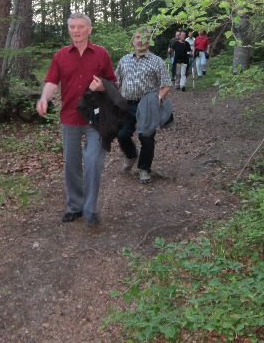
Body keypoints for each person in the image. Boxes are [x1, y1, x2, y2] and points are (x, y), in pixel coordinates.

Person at [36, 13, 116, 226]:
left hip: (96, 117)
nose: (76, 31)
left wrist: (102, 86)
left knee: (92, 161)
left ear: (89, 29)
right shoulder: (61, 55)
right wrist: (44, 98)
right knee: (71, 164)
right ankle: (75, 206)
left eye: (81, 27)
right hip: (70, 116)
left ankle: (90, 208)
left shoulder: (101, 54)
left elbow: (112, 82)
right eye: (72, 27)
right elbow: (52, 81)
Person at [116, 27, 172, 184]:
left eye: (145, 38)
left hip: (147, 105)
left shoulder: (157, 61)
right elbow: (116, 81)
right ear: (133, 40)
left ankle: (144, 168)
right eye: (138, 37)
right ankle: (131, 155)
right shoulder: (124, 60)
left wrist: (158, 99)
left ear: (150, 41)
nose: (140, 41)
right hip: (127, 104)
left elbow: (166, 84)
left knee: (146, 138)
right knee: (121, 135)